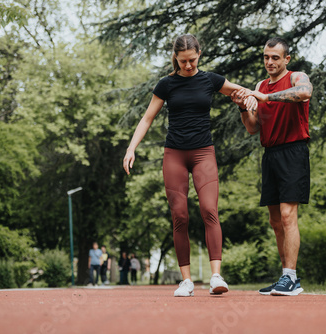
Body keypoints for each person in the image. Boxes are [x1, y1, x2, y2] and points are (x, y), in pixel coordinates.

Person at [123, 34, 256, 297]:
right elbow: (147, 118)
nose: (188, 66)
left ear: (199, 55)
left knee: (209, 209)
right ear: (176, 58)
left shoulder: (211, 80)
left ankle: (216, 276)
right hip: (175, 155)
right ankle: (186, 281)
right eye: (183, 61)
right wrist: (131, 148)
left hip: (203, 153)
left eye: (192, 60)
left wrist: (251, 99)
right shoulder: (166, 84)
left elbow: (244, 92)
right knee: (180, 215)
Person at [233, 37, 313, 296]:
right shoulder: (260, 85)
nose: (270, 62)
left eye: (275, 57)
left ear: (286, 59)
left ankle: (290, 276)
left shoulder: (296, 78)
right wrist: (242, 108)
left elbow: (305, 93)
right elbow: (253, 128)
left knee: (289, 216)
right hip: (270, 155)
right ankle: (287, 278)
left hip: (294, 151)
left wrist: (265, 97)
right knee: (275, 221)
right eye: (266, 57)